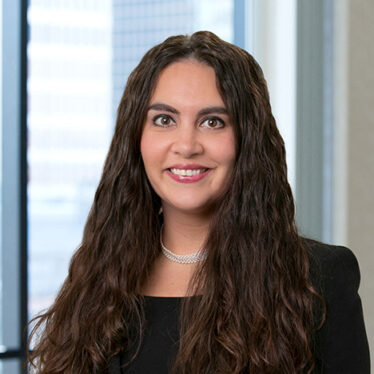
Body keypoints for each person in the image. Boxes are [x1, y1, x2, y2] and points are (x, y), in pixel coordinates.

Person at [28, 31, 370, 374]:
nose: (187, 145)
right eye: (165, 120)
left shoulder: (319, 279)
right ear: (136, 138)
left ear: (246, 140)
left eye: (212, 122)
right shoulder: (96, 278)